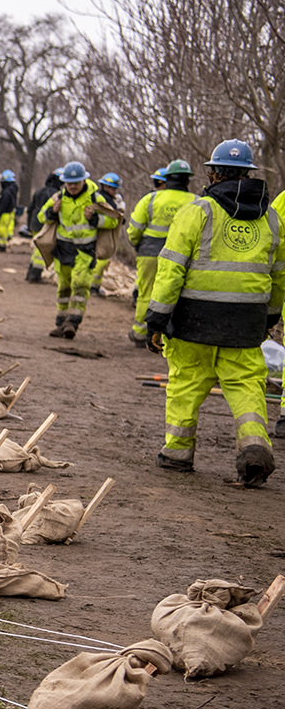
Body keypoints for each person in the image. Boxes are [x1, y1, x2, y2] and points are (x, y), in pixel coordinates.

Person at [143, 139, 284, 486]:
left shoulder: (197, 211)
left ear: (213, 173)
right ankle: (254, 447)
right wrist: (270, 317)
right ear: (248, 174)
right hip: (246, 325)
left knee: (186, 386)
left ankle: (177, 454)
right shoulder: (272, 219)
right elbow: (279, 275)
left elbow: (171, 270)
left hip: (194, 323)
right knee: (248, 389)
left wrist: (157, 319)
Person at [33, 162, 121, 338]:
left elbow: (114, 220)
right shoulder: (58, 197)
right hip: (63, 249)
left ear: (84, 181)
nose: (72, 187)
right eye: (69, 183)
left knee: (80, 285)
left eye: (76, 183)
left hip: (85, 251)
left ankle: (72, 323)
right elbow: (41, 216)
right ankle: (61, 323)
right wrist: (52, 211)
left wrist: (95, 218)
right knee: (64, 287)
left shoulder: (96, 198)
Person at [127, 161, 194, 345]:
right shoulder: (197, 201)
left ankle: (140, 333)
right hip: (183, 258)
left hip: (149, 253)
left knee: (146, 292)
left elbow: (134, 230)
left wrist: (138, 246)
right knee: (179, 295)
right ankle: (172, 335)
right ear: (188, 179)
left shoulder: (151, 199)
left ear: (166, 179)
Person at [23, 169, 64, 283]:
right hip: (43, 224)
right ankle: (35, 275)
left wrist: (29, 224)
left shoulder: (39, 191)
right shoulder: (54, 194)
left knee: (36, 248)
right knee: (41, 250)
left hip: (33, 223)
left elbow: (30, 209)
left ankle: (30, 273)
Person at [87, 171, 124, 295]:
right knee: (100, 261)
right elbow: (115, 219)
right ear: (106, 186)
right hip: (100, 235)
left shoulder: (102, 197)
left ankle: (94, 286)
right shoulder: (103, 200)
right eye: (113, 189)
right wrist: (119, 213)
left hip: (101, 234)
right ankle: (93, 287)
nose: (115, 192)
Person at [0, 169, 19, 252]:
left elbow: (4, 203)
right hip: (8, 213)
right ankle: (4, 243)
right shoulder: (11, 190)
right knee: (6, 229)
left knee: (1, 230)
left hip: (4, 214)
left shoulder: (7, 192)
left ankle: (1, 245)